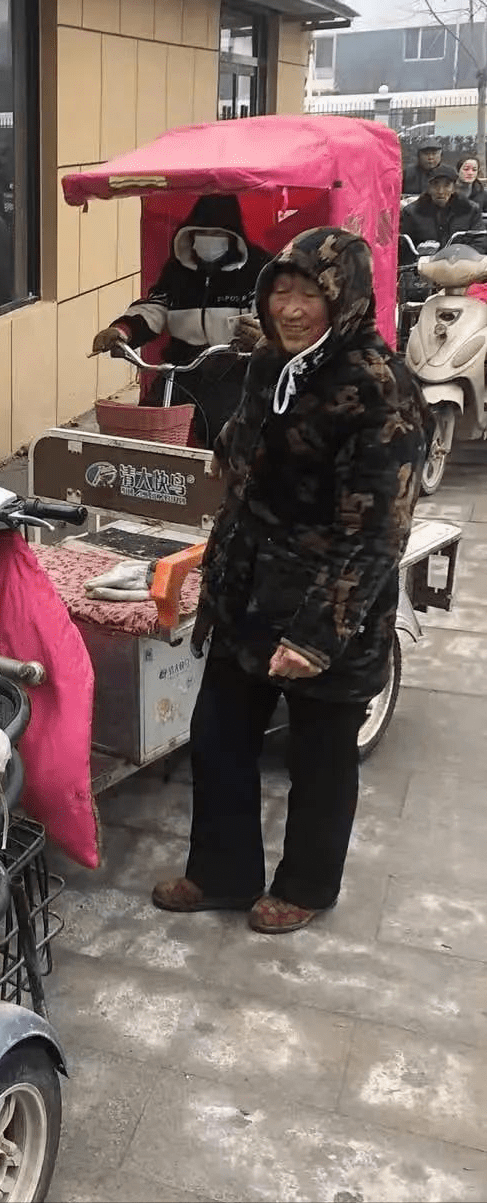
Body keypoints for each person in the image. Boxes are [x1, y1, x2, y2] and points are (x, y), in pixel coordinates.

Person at [152, 229, 428, 933]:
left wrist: (314, 637)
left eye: (309, 291)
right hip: (247, 588)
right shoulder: (267, 365)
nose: (291, 306)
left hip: (327, 603)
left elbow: (376, 532)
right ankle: (220, 872)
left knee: (318, 756)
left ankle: (305, 882)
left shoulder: (378, 385)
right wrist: (227, 456)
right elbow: (247, 438)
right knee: (216, 733)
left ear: (345, 297)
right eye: (281, 288)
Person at [90, 194, 272, 446]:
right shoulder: (177, 270)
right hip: (181, 365)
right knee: (149, 429)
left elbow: (272, 313)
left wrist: (263, 335)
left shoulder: (258, 268)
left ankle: (220, 480)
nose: (208, 241)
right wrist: (123, 331)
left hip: (233, 367)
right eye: (201, 233)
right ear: (190, 234)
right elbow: (156, 306)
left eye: (216, 234)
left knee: (224, 434)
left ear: (232, 237)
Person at [400, 166, 483, 250]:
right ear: (428, 188)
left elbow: (480, 240)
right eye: (435, 184)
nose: (440, 191)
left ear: (453, 188)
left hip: (461, 259)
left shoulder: (471, 209)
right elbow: (404, 246)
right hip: (425, 260)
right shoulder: (412, 212)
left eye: (446, 185)